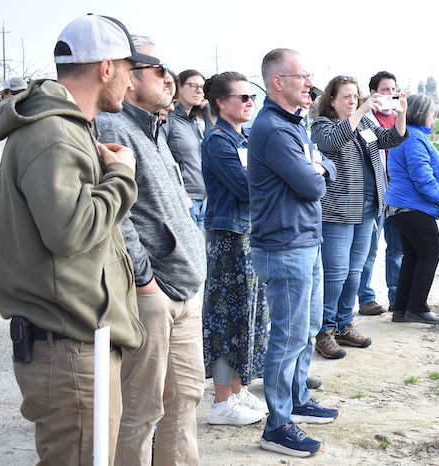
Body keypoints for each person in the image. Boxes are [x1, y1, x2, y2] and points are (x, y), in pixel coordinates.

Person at [0, 13, 147, 465]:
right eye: (127, 69)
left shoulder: (68, 127)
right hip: (70, 350)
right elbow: (71, 231)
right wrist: (122, 177)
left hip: (76, 344)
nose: (130, 81)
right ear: (105, 68)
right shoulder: (55, 133)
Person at [95, 34, 207, 465]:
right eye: (159, 70)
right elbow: (117, 217)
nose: (170, 79)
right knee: (139, 410)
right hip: (151, 295)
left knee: (185, 400)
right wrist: (144, 282)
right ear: (126, 76)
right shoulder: (111, 126)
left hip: (183, 288)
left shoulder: (154, 127)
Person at [249, 48, 339, 458]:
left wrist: (318, 164)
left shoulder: (294, 124)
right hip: (285, 246)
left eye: (309, 75)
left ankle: (298, 397)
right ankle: (278, 424)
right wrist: (318, 167)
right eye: (301, 76)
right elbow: (314, 185)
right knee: (286, 337)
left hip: (305, 240)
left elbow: (324, 166)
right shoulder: (273, 128)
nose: (309, 83)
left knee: (306, 329)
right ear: (277, 82)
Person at [310, 75, 406, 358]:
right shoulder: (323, 125)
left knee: (354, 272)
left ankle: (343, 324)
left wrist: (401, 115)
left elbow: (391, 139)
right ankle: (324, 331)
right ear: (332, 100)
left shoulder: (366, 123)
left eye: (356, 96)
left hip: (368, 208)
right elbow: (332, 143)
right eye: (347, 97)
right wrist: (363, 110)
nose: (353, 101)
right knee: (335, 273)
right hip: (339, 211)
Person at [200, 71, 270, 426]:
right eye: (242, 98)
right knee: (227, 319)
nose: (250, 103)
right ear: (221, 103)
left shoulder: (242, 138)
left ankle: (239, 389)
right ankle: (221, 401)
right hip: (229, 237)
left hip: (247, 233)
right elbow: (246, 188)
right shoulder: (217, 141)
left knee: (249, 316)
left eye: (251, 98)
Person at [385, 93, 439, 324]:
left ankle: (401, 309)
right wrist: (438, 198)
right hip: (412, 205)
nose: (433, 118)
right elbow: (421, 175)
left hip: (403, 206)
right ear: (422, 114)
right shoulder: (413, 138)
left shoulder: (410, 134)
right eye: (432, 114)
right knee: (431, 252)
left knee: (412, 256)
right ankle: (417, 307)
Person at [358, 71, 406, 316]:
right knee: (368, 249)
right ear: (373, 93)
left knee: (397, 249)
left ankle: (397, 298)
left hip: (398, 195)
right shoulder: (364, 120)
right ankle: (365, 298)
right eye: (385, 90)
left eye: (393, 89)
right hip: (375, 193)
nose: (390, 94)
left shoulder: (400, 119)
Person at [168, 69, 214, 230]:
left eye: (202, 87)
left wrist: (207, 112)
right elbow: (163, 160)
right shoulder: (169, 120)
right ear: (178, 87)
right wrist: (180, 194)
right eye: (193, 85)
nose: (199, 91)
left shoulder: (194, 122)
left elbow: (212, 145)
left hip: (203, 200)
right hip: (185, 200)